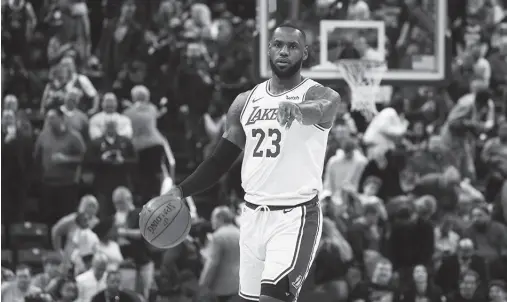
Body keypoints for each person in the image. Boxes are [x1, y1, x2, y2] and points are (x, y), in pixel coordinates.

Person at [163, 22, 342, 302]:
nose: (284, 51)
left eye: (293, 46)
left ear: (305, 53)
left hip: (295, 216)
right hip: (251, 216)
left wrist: (296, 109)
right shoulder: (244, 102)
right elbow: (220, 160)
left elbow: (321, 111)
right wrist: (181, 190)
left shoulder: (320, 93)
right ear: (269, 49)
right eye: (278, 45)